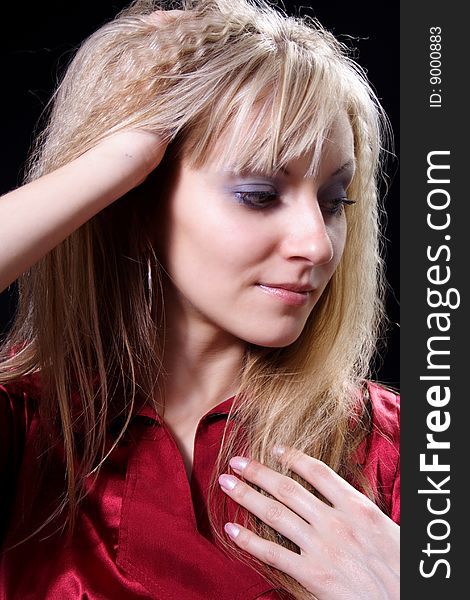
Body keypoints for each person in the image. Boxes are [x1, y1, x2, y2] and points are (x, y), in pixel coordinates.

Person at [0, 0, 399, 598]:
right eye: (259, 193)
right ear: (135, 200)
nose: (316, 244)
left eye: (335, 199)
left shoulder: (391, 447)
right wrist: (123, 152)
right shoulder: (26, 434)